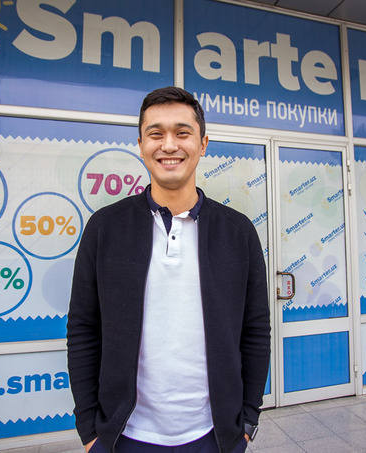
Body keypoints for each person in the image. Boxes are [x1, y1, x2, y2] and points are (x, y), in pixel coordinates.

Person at [66, 86, 271, 453]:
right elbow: (84, 328)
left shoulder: (238, 232)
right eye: (156, 134)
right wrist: (89, 431)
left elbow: (255, 331)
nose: (169, 145)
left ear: (203, 144)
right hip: (123, 438)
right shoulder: (105, 228)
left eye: (182, 132)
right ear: (141, 144)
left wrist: (247, 421)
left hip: (215, 437)